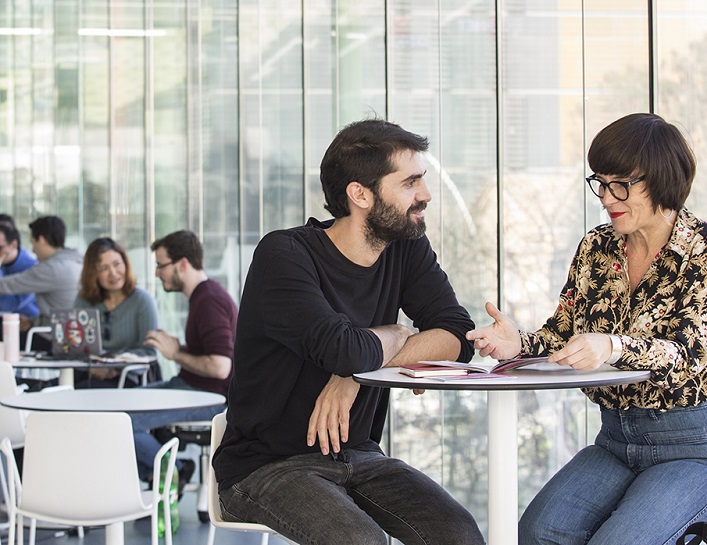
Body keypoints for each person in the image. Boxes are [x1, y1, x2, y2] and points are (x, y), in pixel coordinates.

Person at [467, 113, 707, 545]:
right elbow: (563, 335)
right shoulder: (596, 247)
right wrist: (517, 343)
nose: (607, 197)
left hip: (694, 449)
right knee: (537, 533)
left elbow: (693, 356)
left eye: (621, 185)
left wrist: (613, 345)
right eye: (600, 182)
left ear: (661, 179)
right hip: (615, 441)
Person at [213, 119, 484, 545]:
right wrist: (394, 333)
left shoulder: (405, 247)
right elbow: (345, 349)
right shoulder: (284, 254)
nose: (426, 195)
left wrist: (354, 374)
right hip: (266, 465)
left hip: (360, 456)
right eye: (410, 182)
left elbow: (457, 334)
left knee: (458, 534)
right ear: (360, 194)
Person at [129, 230, 235, 486]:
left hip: (211, 398)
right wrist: (180, 348)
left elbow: (221, 366)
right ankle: (164, 474)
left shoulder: (209, 300)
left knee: (122, 421)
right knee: (123, 407)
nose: (157, 273)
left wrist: (176, 354)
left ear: (183, 264)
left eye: (161, 265)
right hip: (193, 389)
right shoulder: (205, 295)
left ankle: (174, 471)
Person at [73, 237, 159, 388]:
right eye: (103, 268)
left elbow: (149, 352)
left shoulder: (143, 301)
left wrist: (113, 367)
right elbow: (76, 347)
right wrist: (96, 368)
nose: (113, 273)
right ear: (93, 273)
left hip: (130, 378)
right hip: (89, 374)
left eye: (117, 264)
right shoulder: (84, 301)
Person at [0, 216, 83, 338]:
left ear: (42, 240)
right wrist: (33, 322)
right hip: (71, 333)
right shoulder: (76, 260)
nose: (33, 250)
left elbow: (5, 286)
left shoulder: (50, 269)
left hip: (55, 338)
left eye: (33, 243)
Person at [0, 220, 39, 327]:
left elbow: (9, 305)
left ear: (13, 244)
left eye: (0, 248)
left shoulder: (32, 267)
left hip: (25, 323)